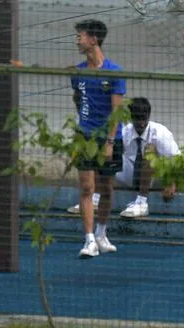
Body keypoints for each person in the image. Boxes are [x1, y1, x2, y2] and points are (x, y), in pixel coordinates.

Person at [71, 19, 127, 259]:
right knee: (86, 187)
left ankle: (102, 232)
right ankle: (89, 239)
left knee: (106, 187)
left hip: (108, 138)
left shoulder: (114, 72)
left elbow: (117, 111)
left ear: (93, 40)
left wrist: (110, 141)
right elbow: (77, 97)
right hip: (85, 136)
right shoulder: (79, 71)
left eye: (80, 36)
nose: (77, 40)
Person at [117, 97, 180, 219]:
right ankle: (96, 198)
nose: (141, 123)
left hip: (155, 178)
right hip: (131, 174)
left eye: (144, 119)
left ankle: (141, 202)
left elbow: (176, 160)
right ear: (131, 117)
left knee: (150, 149)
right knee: (105, 152)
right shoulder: (125, 132)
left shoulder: (161, 133)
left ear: (149, 116)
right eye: (137, 119)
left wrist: (171, 182)